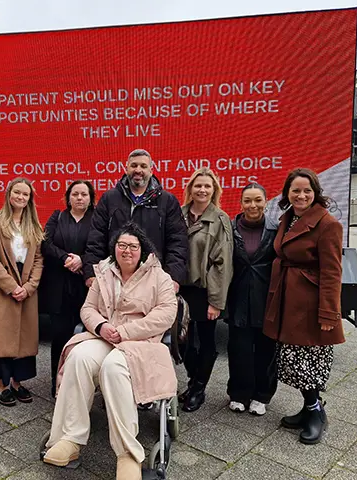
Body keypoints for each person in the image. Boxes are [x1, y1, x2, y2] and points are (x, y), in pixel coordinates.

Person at [44, 222, 177, 480]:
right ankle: (71, 438)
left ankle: (128, 454)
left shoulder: (159, 276)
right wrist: (102, 326)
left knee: (114, 366)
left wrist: (126, 332)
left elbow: (166, 314)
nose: (126, 250)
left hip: (141, 342)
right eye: (121, 245)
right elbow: (87, 309)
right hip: (106, 336)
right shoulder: (104, 273)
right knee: (79, 357)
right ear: (114, 248)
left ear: (142, 250)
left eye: (133, 246)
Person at [264, 168, 344, 444]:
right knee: (293, 360)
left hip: (310, 304)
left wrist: (329, 313)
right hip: (289, 299)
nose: (301, 195)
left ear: (315, 193)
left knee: (308, 363)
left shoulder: (328, 223)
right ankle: (309, 408)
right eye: (295, 190)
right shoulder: (289, 218)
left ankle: (316, 414)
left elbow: (332, 272)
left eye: (306, 190)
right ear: (287, 192)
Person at [0, 177, 44, 407]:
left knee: (24, 340)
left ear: (30, 198)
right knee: (1, 338)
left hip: (26, 287)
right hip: (1, 288)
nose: (21, 197)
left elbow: (38, 259)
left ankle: (18, 382)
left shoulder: (34, 225)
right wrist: (12, 287)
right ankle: (2, 386)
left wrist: (28, 287)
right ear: (8, 194)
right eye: (17, 192)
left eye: (25, 194)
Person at [83, 148, 188, 292]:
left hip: (154, 281)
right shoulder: (109, 199)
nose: (138, 170)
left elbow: (178, 242)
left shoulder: (167, 201)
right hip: (114, 280)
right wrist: (91, 273)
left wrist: (173, 277)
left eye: (143, 166)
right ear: (126, 169)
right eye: (134, 165)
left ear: (151, 171)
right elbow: (96, 238)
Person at [178, 168, 233, 412]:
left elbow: (223, 264)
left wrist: (216, 301)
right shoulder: (177, 216)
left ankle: (199, 388)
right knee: (182, 342)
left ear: (214, 190)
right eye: (198, 185)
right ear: (190, 189)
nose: (202, 190)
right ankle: (192, 380)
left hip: (205, 291)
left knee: (207, 342)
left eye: (207, 186)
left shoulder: (220, 219)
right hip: (180, 291)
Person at [226, 183, 279, 416]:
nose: (253, 205)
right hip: (238, 296)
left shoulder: (276, 229)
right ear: (241, 203)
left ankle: (261, 395)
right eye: (247, 200)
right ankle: (238, 393)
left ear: (265, 201)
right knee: (239, 349)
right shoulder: (230, 228)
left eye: (257, 200)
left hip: (266, 297)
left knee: (266, 350)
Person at [41, 180, 96, 396]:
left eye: (84, 194)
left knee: (85, 338)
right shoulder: (57, 217)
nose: (80, 198)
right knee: (60, 337)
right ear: (68, 197)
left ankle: (83, 386)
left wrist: (82, 260)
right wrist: (65, 258)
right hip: (59, 287)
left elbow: (100, 248)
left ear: (91, 198)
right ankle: (58, 384)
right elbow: (45, 244)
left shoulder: (97, 220)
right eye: (75, 194)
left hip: (86, 287)